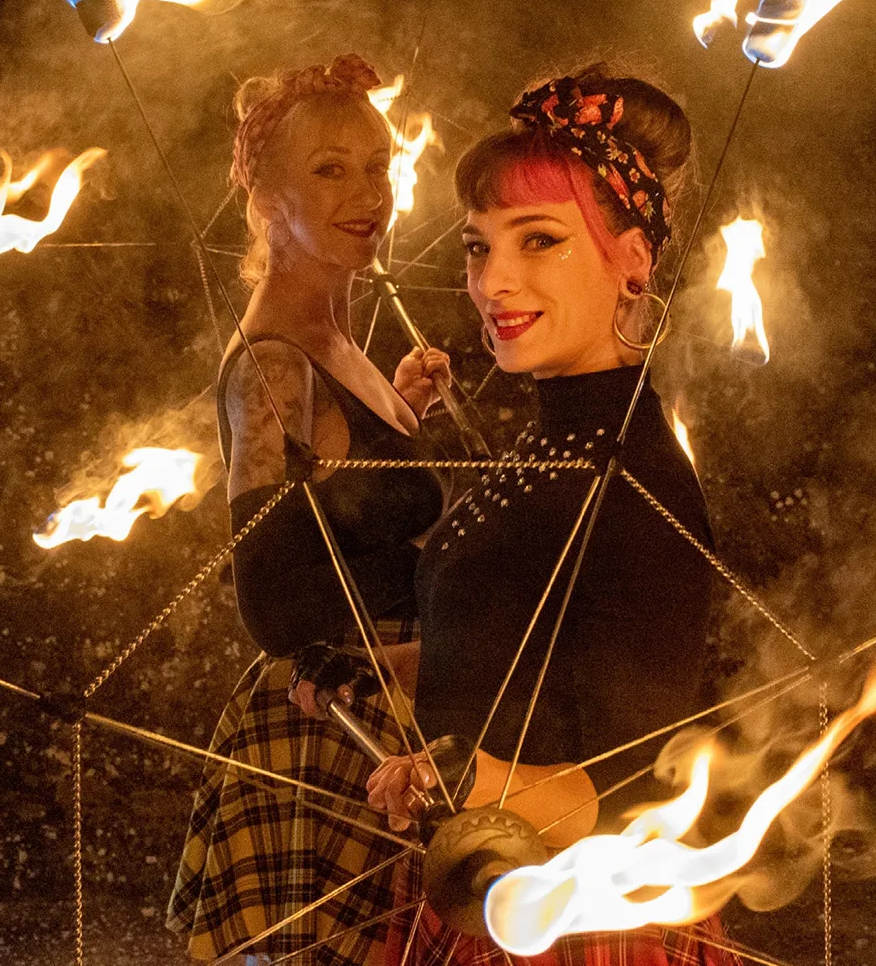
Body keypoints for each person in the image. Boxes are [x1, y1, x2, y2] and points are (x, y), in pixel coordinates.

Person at [366, 65, 742, 965]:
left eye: (538, 241)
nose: (495, 280)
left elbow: (634, 783)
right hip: (485, 898)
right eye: (477, 246)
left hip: (578, 927)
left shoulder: (636, 481)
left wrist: (459, 773)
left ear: (633, 261)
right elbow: (534, 656)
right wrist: (390, 669)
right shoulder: (554, 446)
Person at [167, 53, 452, 966]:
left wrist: (400, 416)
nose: (367, 191)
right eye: (328, 168)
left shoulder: (336, 337)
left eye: (378, 164)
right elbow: (274, 601)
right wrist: (408, 663)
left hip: (391, 713)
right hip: (334, 733)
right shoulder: (270, 364)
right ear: (265, 201)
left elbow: (338, 500)